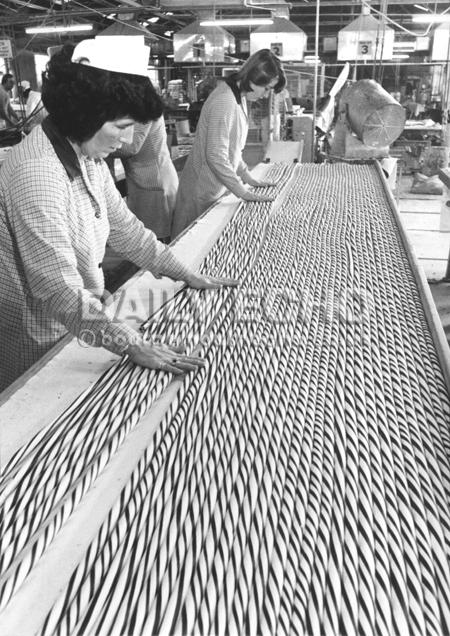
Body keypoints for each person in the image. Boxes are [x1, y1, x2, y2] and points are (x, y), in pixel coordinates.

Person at [0, 36, 236, 393]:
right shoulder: (38, 173)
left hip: (78, 318)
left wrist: (184, 273)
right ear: (87, 115)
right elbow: (57, 289)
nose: (126, 142)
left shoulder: (85, 154)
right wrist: (134, 344)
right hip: (39, 332)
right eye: (121, 127)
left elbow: (124, 228)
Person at [171, 49, 286, 238]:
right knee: (191, 248)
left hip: (213, 189)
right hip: (200, 192)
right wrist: (242, 192)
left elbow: (231, 150)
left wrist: (248, 178)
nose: (266, 95)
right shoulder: (224, 100)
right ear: (253, 78)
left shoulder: (238, 96)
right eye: (265, 89)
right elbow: (216, 155)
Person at [109, 115, 178, 242]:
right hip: (144, 181)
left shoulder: (143, 105)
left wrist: (96, 144)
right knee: (147, 240)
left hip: (154, 183)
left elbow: (132, 147)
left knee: (156, 242)